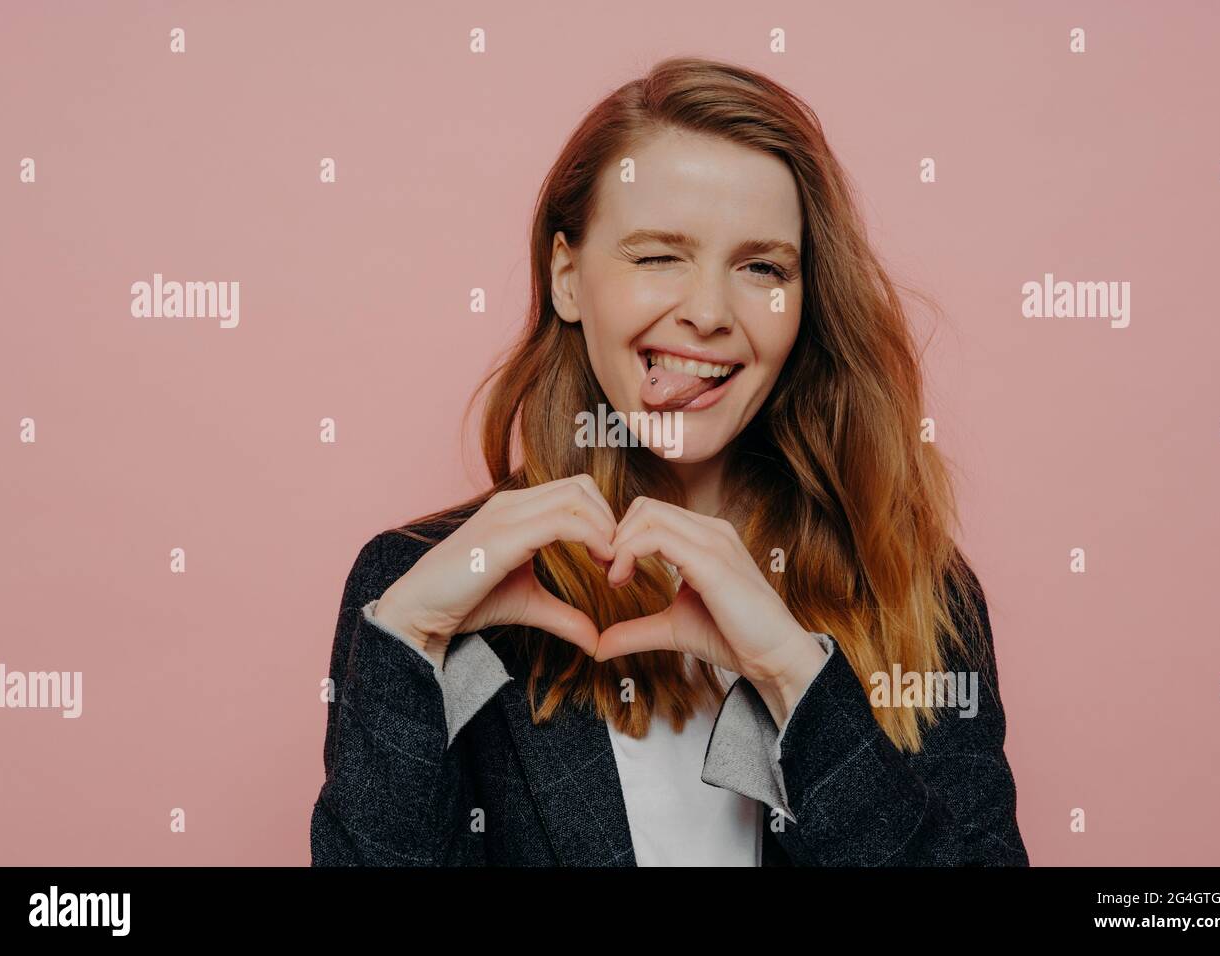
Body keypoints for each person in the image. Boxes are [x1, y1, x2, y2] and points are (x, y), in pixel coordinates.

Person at [309, 56, 1029, 867]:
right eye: (658, 257)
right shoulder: (410, 587)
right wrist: (409, 641)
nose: (710, 314)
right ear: (568, 277)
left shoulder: (918, 590)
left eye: (762, 268)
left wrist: (797, 677)